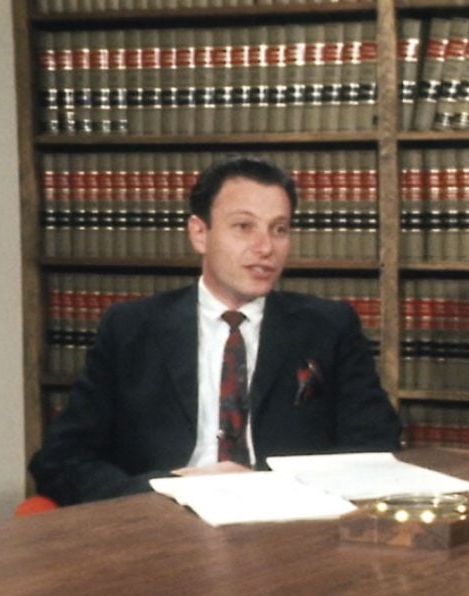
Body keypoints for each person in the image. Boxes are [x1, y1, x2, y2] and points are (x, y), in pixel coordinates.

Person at [30, 155, 401, 506]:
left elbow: (375, 446)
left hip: (286, 520)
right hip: (164, 521)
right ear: (199, 233)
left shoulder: (328, 326)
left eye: (279, 229)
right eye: (244, 227)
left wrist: (267, 486)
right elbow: (61, 459)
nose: (265, 247)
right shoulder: (131, 328)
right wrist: (161, 490)